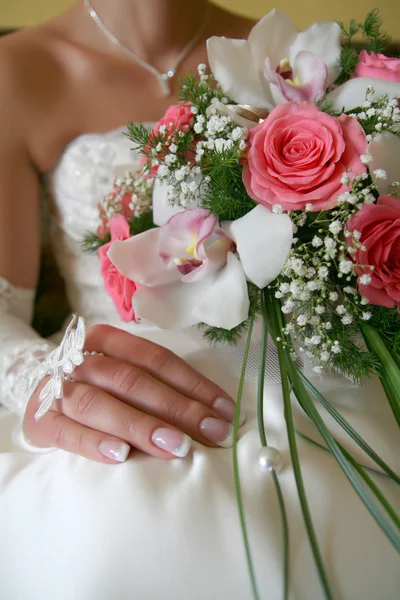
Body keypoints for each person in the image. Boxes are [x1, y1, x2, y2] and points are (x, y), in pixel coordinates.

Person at [0, 2, 398, 599]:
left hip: (318, 370)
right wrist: (40, 376)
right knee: (123, 519)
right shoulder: (18, 72)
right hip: (131, 376)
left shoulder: (303, 57)